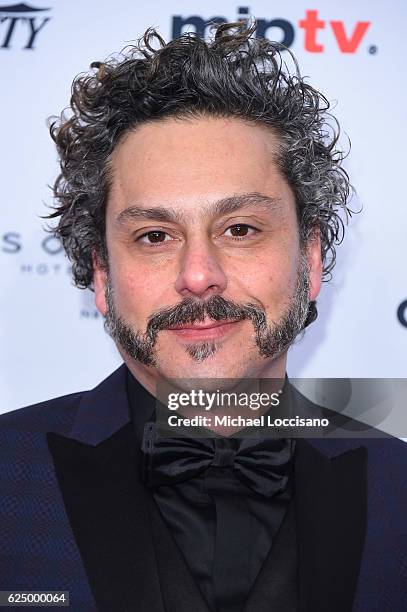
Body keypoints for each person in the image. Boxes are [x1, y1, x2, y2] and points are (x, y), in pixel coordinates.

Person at [0, 22, 406, 612]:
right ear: (104, 276)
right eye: (155, 235)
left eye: (240, 229)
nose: (198, 274)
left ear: (311, 260)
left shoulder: (399, 486)